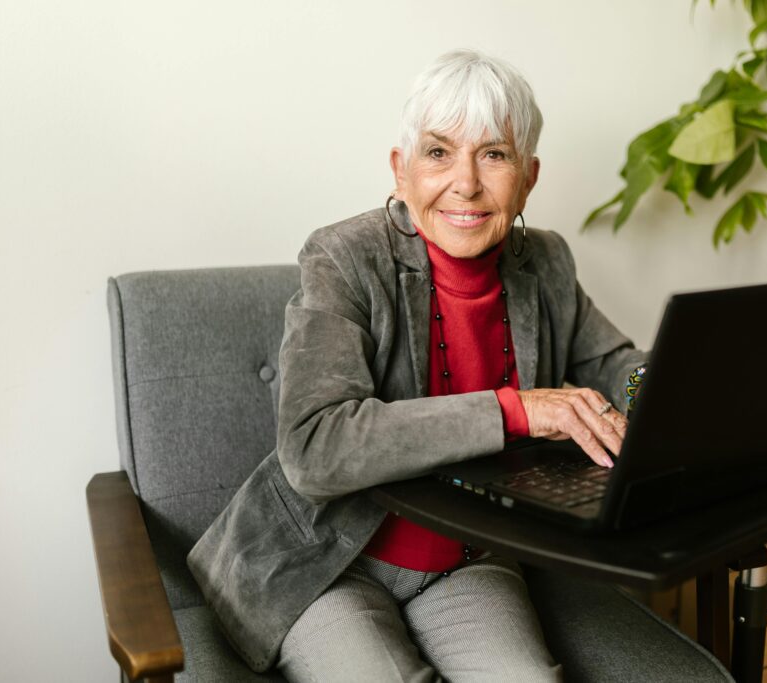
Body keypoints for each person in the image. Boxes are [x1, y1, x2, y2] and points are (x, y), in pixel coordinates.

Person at [188, 49, 648, 682]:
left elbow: (615, 365)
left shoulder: (545, 263)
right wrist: (515, 410)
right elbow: (316, 445)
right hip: (325, 564)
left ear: (529, 177)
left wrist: (665, 389)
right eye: (438, 153)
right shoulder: (343, 257)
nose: (465, 183)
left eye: (494, 154)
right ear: (401, 171)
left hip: (468, 555)